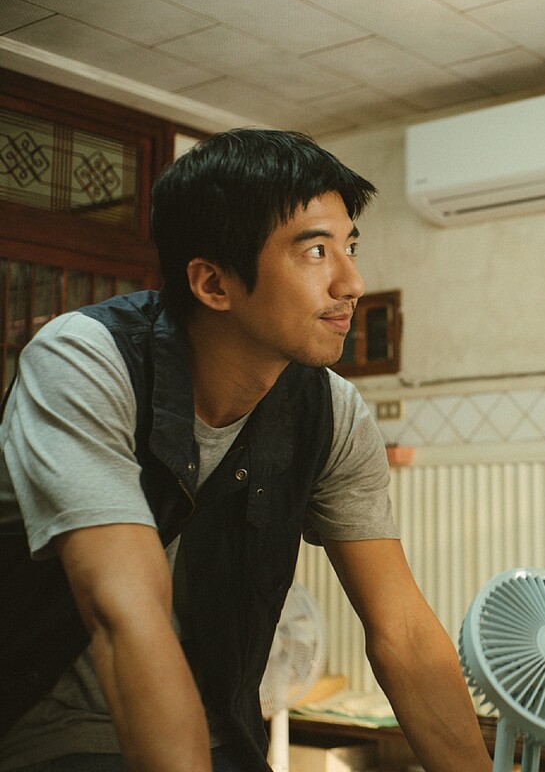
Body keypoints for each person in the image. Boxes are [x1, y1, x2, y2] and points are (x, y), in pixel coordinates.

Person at [0, 129, 491, 772]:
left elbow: (403, 633)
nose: (352, 281)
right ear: (213, 284)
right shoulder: (87, 360)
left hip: (222, 733)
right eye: (316, 251)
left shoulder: (331, 412)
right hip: (47, 735)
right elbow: (129, 621)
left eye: (349, 245)